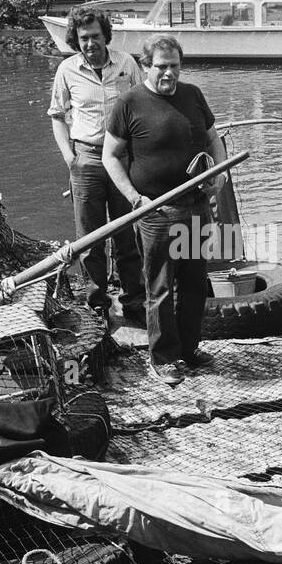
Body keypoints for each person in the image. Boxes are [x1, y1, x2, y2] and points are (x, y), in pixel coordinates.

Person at [103, 35, 227, 385]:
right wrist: (133, 197)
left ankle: (188, 349)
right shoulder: (129, 103)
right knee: (159, 288)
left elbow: (213, 137)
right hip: (157, 214)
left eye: (174, 66)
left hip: (194, 208)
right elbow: (109, 156)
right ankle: (163, 357)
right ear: (145, 66)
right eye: (161, 66)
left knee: (193, 285)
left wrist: (218, 176)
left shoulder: (193, 95)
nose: (168, 73)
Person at [48, 5, 146, 327]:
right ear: (76, 40)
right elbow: (57, 116)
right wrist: (68, 156)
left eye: (95, 36)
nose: (90, 43)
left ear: (106, 36)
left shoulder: (127, 64)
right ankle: (97, 302)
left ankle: (134, 300)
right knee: (89, 237)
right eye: (83, 38)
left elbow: (143, 106)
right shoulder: (67, 70)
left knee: (126, 232)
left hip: (121, 157)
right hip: (86, 158)